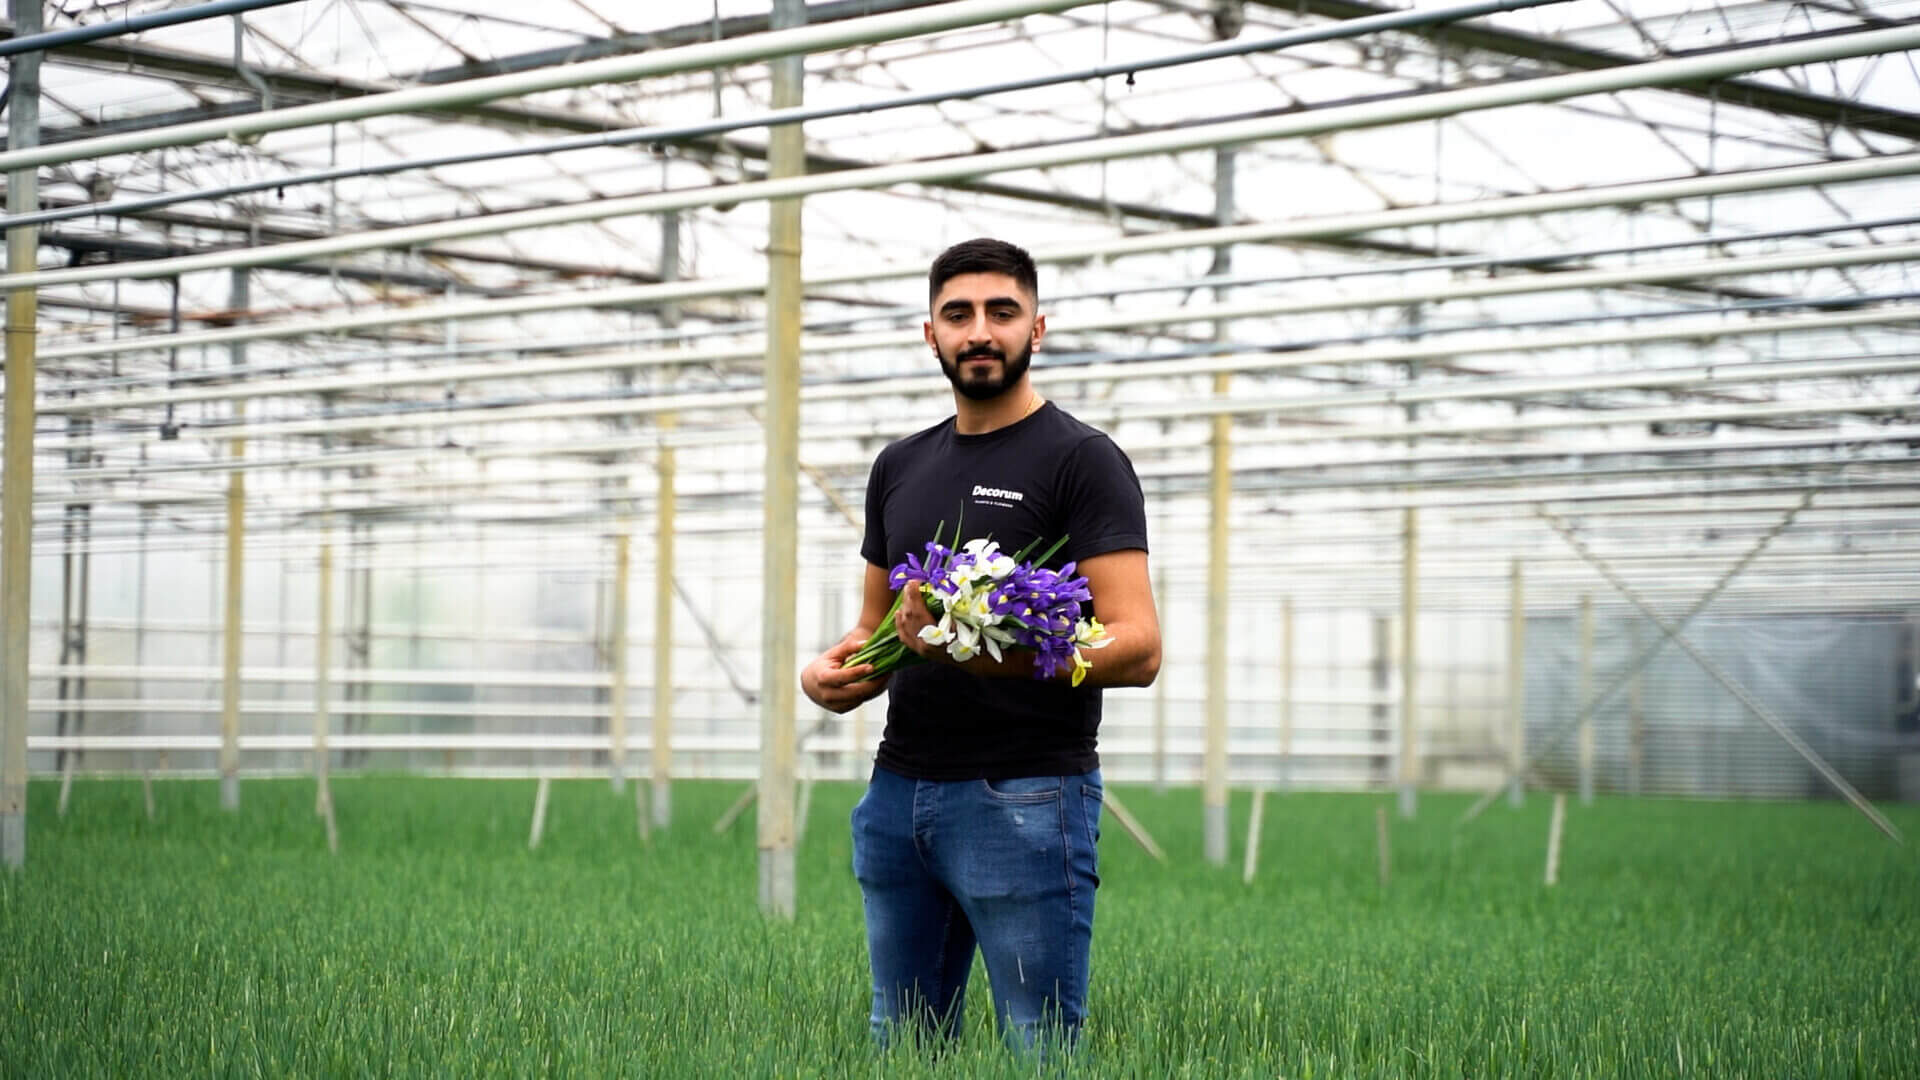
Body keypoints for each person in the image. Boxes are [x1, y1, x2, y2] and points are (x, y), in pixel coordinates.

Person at [801, 237, 1161, 1055]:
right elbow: (876, 624)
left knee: (1039, 1045)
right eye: (958, 314)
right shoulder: (899, 466)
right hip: (898, 795)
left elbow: (1138, 646)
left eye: (1003, 312)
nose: (980, 332)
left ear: (1038, 328)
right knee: (901, 1043)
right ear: (930, 333)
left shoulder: (1083, 460)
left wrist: (989, 651)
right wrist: (833, 672)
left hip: (1025, 796)